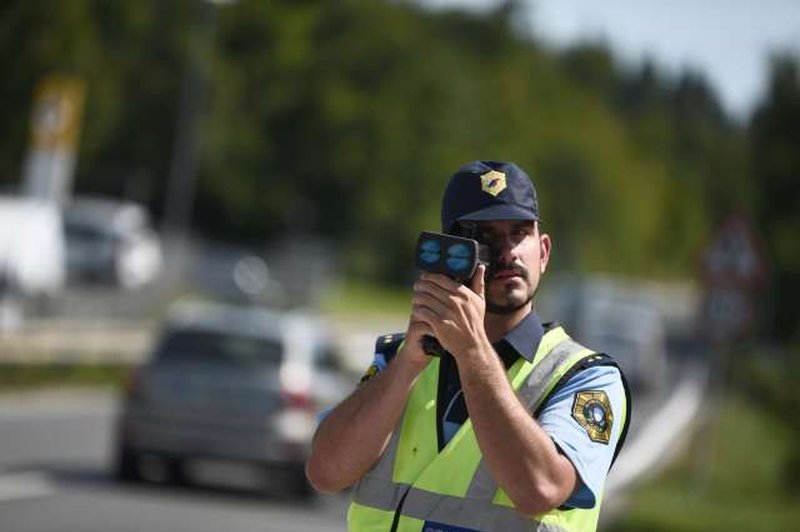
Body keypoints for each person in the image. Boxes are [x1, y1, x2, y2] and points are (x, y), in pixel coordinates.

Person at [306, 160, 630, 532]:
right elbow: (325, 472)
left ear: (543, 251)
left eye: (519, 233)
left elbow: (539, 489)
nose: (507, 252)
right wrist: (408, 364)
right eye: (486, 238)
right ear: (450, 254)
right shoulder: (402, 359)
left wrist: (472, 350)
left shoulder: (585, 377)